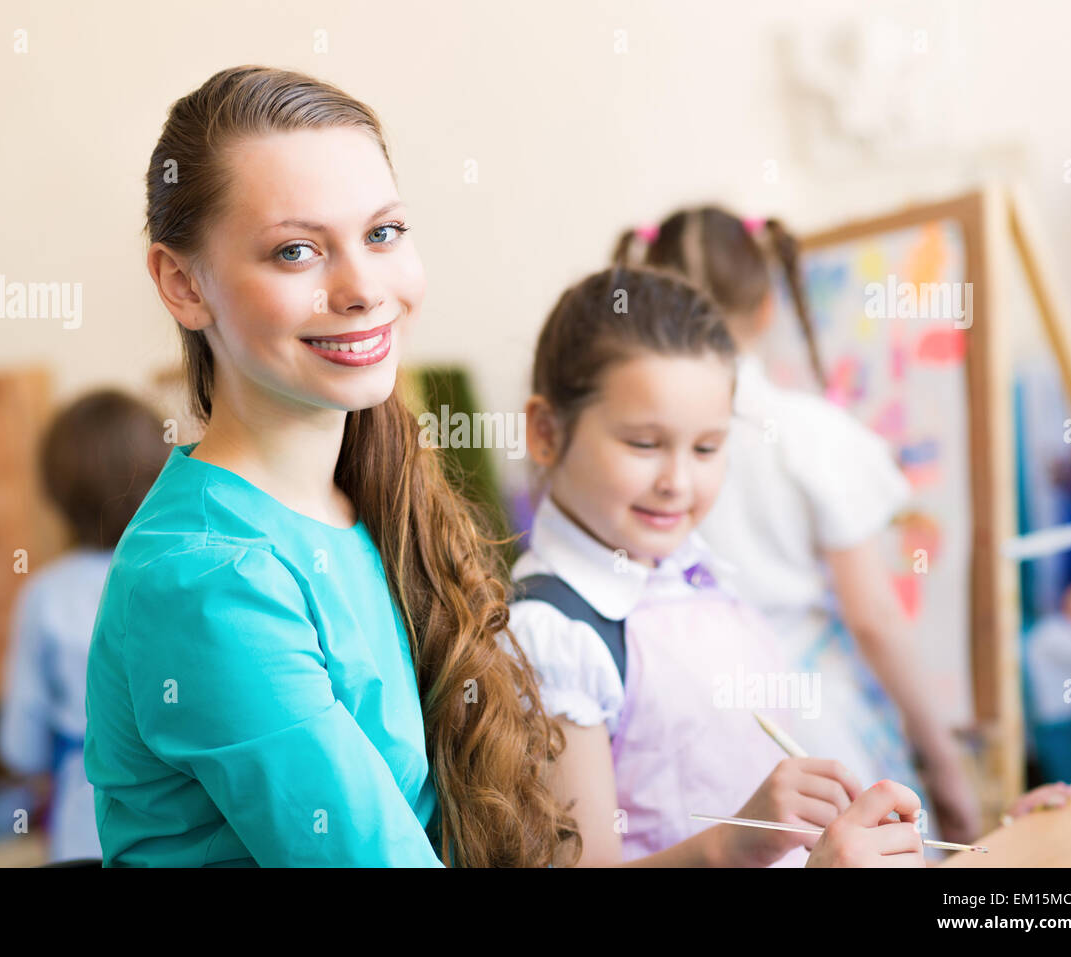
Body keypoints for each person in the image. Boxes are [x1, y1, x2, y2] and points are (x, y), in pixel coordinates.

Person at [82, 66, 576, 867]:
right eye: (297, 251)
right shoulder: (206, 576)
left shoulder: (368, 494)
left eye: (383, 234)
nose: (360, 288)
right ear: (183, 283)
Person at [508, 265, 926, 866]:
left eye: (707, 448)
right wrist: (733, 841)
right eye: (644, 444)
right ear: (546, 433)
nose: (678, 482)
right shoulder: (552, 638)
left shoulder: (697, 573)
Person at [613, 206, 983, 843]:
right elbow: (874, 617)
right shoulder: (810, 435)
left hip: (684, 730)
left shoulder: (626, 440)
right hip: (818, 726)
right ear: (765, 308)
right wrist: (946, 766)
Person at [0, 389, 169, 862]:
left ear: (56, 492)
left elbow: (19, 745)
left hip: (84, 835)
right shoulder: (179, 573)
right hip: (183, 833)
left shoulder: (46, 596)